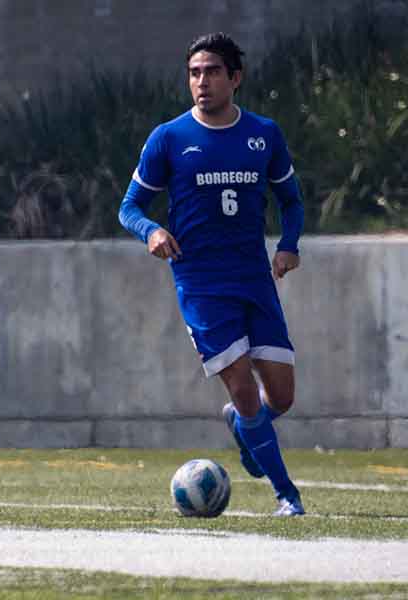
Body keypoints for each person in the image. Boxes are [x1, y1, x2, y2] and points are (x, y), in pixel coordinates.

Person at [118, 32, 305, 516]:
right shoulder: (170, 137)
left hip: (254, 280)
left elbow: (292, 199)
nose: (201, 81)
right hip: (200, 283)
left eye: (212, 71)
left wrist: (288, 245)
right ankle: (288, 496)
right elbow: (129, 206)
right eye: (194, 72)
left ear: (235, 78)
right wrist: (151, 231)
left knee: (279, 397)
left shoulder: (264, 134)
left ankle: (245, 427)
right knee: (243, 389)